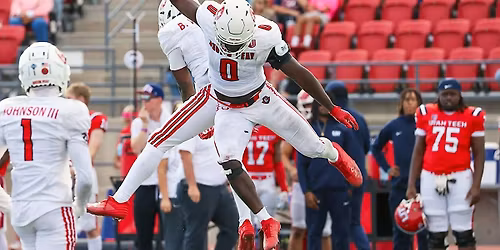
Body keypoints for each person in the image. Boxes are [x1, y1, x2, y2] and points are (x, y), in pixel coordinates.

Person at [87, 1, 362, 249]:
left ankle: (334, 154)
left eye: (236, 44)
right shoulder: (208, 16)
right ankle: (263, 221)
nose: (230, 48)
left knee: (312, 147)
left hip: (261, 99)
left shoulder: (266, 35)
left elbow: (299, 73)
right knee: (226, 160)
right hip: (223, 104)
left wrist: (331, 107)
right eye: (226, 43)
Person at [0, 42, 93, 249]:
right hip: (54, 208)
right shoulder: (72, 110)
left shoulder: (6, 108)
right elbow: (85, 178)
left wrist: (9, 206)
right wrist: (79, 206)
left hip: (22, 213)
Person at [407, 78, 485, 250]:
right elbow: (418, 150)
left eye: (452, 94)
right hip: (430, 176)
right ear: (439, 95)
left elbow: (479, 154)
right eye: (445, 94)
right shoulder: (426, 113)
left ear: (460, 95)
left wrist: (476, 186)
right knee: (435, 235)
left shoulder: (472, 116)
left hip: (460, 176)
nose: (449, 98)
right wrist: (411, 183)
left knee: (464, 233)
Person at [297, 92, 358, 250]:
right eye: (320, 102)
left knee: (342, 233)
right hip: (315, 191)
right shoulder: (307, 128)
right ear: (316, 104)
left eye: (328, 102)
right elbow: (301, 164)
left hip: (339, 190)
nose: (324, 106)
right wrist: (306, 191)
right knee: (314, 233)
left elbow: (352, 159)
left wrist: (349, 187)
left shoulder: (343, 129)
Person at [371, 89, 428, 250]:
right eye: (406, 99)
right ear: (401, 104)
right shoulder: (394, 125)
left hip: (423, 186)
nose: (410, 103)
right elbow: (376, 147)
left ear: (419, 103)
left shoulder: (425, 124)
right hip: (399, 187)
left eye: (413, 99)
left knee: (425, 233)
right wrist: (388, 168)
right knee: (401, 232)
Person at [324, 81, 370, 250]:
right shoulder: (360, 117)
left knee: (342, 225)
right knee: (355, 222)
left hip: (342, 177)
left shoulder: (333, 118)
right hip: (359, 174)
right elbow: (367, 147)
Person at [285, 90, 331, 250]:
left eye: (313, 104)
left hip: (322, 182)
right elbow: (283, 154)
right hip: (301, 183)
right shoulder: (296, 125)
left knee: (325, 231)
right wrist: (291, 169)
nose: (310, 108)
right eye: (307, 105)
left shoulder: (326, 124)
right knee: (298, 228)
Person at [177, 131, 239, 250]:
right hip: (198, 185)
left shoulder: (220, 123)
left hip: (219, 186)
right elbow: (185, 154)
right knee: (197, 233)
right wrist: (192, 185)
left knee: (233, 225)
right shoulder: (194, 122)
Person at [66, 82, 107, 250]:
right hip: (63, 173)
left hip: (83, 173)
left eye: (70, 98)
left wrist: (78, 167)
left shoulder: (95, 118)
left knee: (90, 225)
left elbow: (93, 147)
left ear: (81, 99)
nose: (67, 102)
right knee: (67, 222)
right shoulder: (63, 119)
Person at [131, 83, 170, 250]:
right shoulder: (139, 123)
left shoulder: (170, 120)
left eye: (148, 97)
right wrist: (145, 125)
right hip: (145, 183)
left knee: (169, 235)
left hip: (168, 184)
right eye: (143, 98)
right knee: (143, 235)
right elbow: (135, 148)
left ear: (159, 100)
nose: (144, 101)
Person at [240, 125, 288, 248]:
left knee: (266, 228)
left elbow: (278, 161)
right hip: (247, 178)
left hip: (267, 180)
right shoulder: (241, 125)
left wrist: (284, 188)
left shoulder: (271, 128)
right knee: (245, 228)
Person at [157, 102, 184, 250]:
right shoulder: (169, 139)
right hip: (173, 194)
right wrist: (165, 197)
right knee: (174, 239)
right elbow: (161, 169)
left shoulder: (197, 137)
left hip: (192, 195)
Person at [115, 105, 137, 176]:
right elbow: (119, 149)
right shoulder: (123, 132)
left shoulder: (136, 130)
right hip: (125, 164)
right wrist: (117, 159)